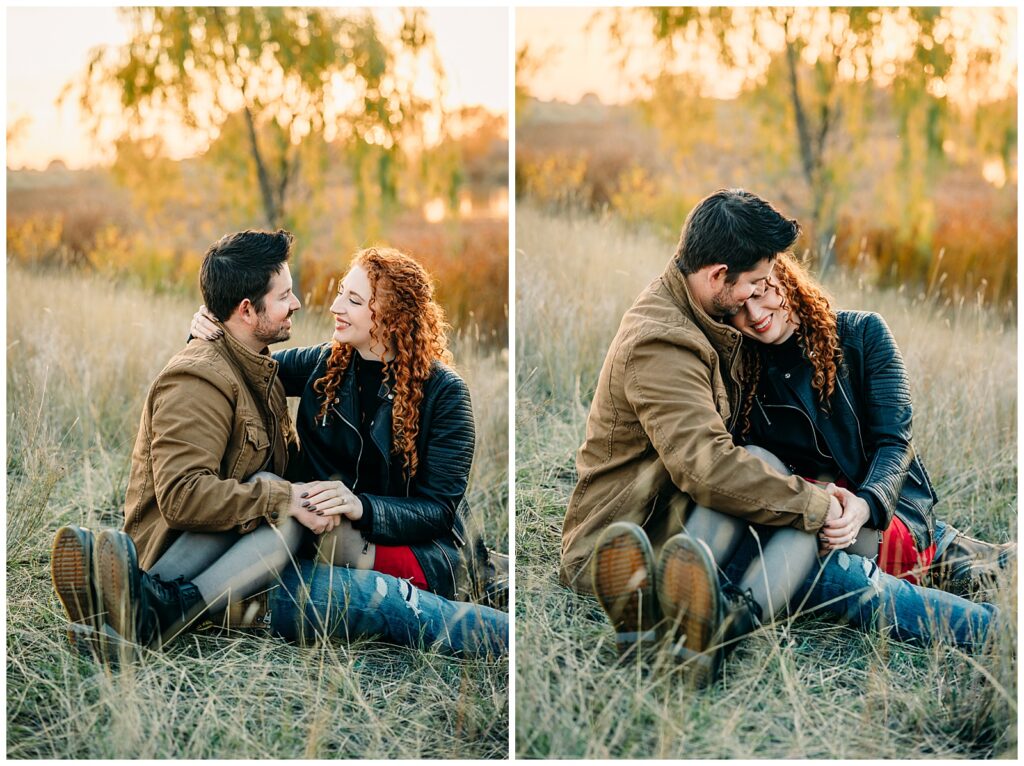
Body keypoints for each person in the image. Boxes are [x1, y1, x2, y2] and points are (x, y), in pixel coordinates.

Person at [50, 232, 507, 662]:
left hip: (408, 547)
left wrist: (361, 506)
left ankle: (150, 602)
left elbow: (440, 509)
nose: (331, 307)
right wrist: (208, 326)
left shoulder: (446, 393)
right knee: (282, 502)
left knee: (359, 579)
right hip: (313, 528)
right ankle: (149, 606)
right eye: (338, 292)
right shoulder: (326, 365)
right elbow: (241, 361)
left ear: (389, 314)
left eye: (351, 299)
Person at [561, 189, 845, 684]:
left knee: (765, 466)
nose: (757, 296)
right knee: (802, 519)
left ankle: (709, 633)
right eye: (753, 283)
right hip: (627, 538)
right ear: (717, 275)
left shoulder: (702, 310)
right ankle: (681, 616)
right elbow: (706, 469)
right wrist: (818, 505)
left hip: (681, 520)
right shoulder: (662, 341)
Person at [721, 252, 1011, 641]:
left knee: (999, 566)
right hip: (813, 517)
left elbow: (896, 444)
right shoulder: (745, 372)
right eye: (740, 307)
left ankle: (966, 568)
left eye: (763, 292)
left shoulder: (862, 334)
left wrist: (863, 505)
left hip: (884, 515)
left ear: (784, 279)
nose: (755, 314)